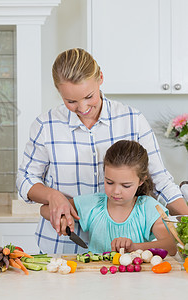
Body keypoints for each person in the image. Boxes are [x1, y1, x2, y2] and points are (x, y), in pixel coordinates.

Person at [16, 48, 188, 254]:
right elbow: (25, 179)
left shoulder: (132, 119)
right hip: (61, 246)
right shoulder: (46, 125)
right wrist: (52, 196)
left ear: (100, 78)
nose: (82, 107)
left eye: (89, 96)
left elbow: (160, 181)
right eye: (71, 101)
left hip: (125, 251)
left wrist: (186, 222)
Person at [40, 140, 177, 255]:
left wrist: (135, 247)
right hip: (96, 279)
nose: (116, 191)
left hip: (137, 281)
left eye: (126, 185)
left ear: (141, 181)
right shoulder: (94, 203)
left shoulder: (148, 207)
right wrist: (62, 217)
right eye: (109, 182)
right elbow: (44, 209)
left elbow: (172, 245)